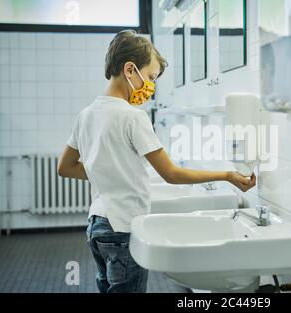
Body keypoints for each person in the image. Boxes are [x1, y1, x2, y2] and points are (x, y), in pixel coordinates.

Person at [57, 30, 256, 293]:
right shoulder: (132, 117)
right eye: (150, 77)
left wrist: (106, 171)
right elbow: (171, 174)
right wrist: (227, 175)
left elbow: (65, 167)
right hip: (123, 228)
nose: (151, 86)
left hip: (97, 225)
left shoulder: (87, 114)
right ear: (130, 69)